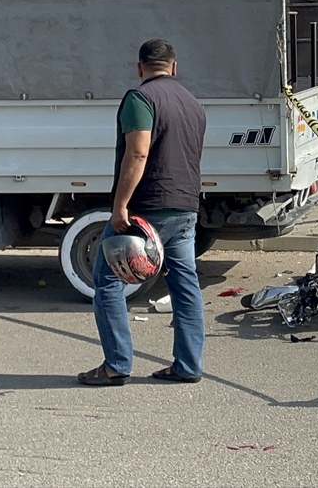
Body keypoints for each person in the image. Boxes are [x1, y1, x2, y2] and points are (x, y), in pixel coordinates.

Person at [79, 39, 208, 387]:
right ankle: (188, 365)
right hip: (186, 208)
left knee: (106, 281)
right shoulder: (193, 104)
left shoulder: (141, 99)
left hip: (147, 211)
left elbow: (137, 154)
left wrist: (119, 206)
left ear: (140, 68)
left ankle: (116, 364)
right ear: (174, 68)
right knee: (185, 287)